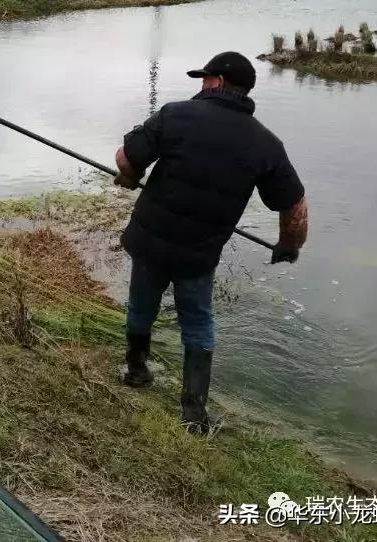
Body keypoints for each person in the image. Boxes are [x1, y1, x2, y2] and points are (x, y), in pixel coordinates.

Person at [113, 51, 308, 434]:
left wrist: (130, 176)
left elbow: (125, 157)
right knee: (198, 322)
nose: (200, 84)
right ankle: (193, 413)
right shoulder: (265, 143)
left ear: (217, 82)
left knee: (141, 305)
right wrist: (289, 245)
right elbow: (295, 206)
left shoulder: (174, 114)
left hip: (151, 239)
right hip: (198, 252)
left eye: (204, 78)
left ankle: (136, 371)